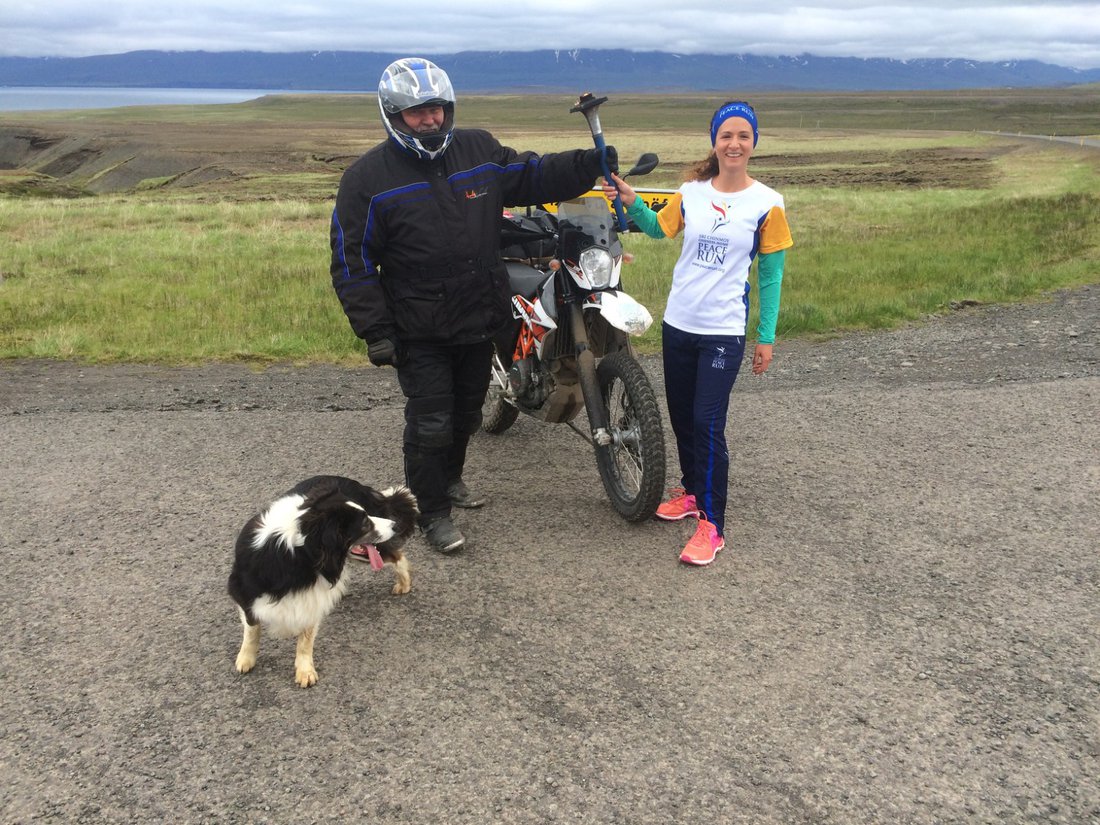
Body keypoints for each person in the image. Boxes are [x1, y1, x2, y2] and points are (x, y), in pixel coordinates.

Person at [331, 57, 615, 553]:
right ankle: (430, 512)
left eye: (437, 109)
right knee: (431, 424)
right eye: (417, 112)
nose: (430, 120)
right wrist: (374, 329)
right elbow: (351, 261)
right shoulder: (366, 180)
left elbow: (533, 174)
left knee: (466, 413)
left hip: (480, 315)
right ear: (393, 116)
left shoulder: (478, 150)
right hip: (418, 326)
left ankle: (451, 480)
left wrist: (586, 164)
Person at [602, 100, 792, 566]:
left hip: (723, 333)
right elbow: (657, 228)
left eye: (743, 136)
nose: (734, 144)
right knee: (683, 418)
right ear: (714, 141)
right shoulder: (691, 192)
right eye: (726, 135)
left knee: (708, 425)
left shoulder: (768, 203)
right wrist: (631, 200)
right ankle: (690, 493)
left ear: (753, 143)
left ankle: (712, 525)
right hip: (679, 325)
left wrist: (765, 337)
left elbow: (771, 276)